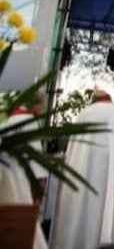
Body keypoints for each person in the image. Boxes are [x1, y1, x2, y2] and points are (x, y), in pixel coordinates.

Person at [52, 90, 114, 249]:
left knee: (81, 206)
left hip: (82, 167)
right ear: (109, 99)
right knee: (109, 204)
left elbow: (74, 143)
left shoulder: (84, 113)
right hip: (111, 168)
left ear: (94, 101)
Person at [0, 91, 49, 249]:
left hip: (6, 177)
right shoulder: (27, 121)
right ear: (35, 106)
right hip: (22, 178)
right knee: (25, 225)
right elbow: (34, 156)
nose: (41, 111)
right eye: (41, 106)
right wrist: (40, 182)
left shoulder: (7, 120)